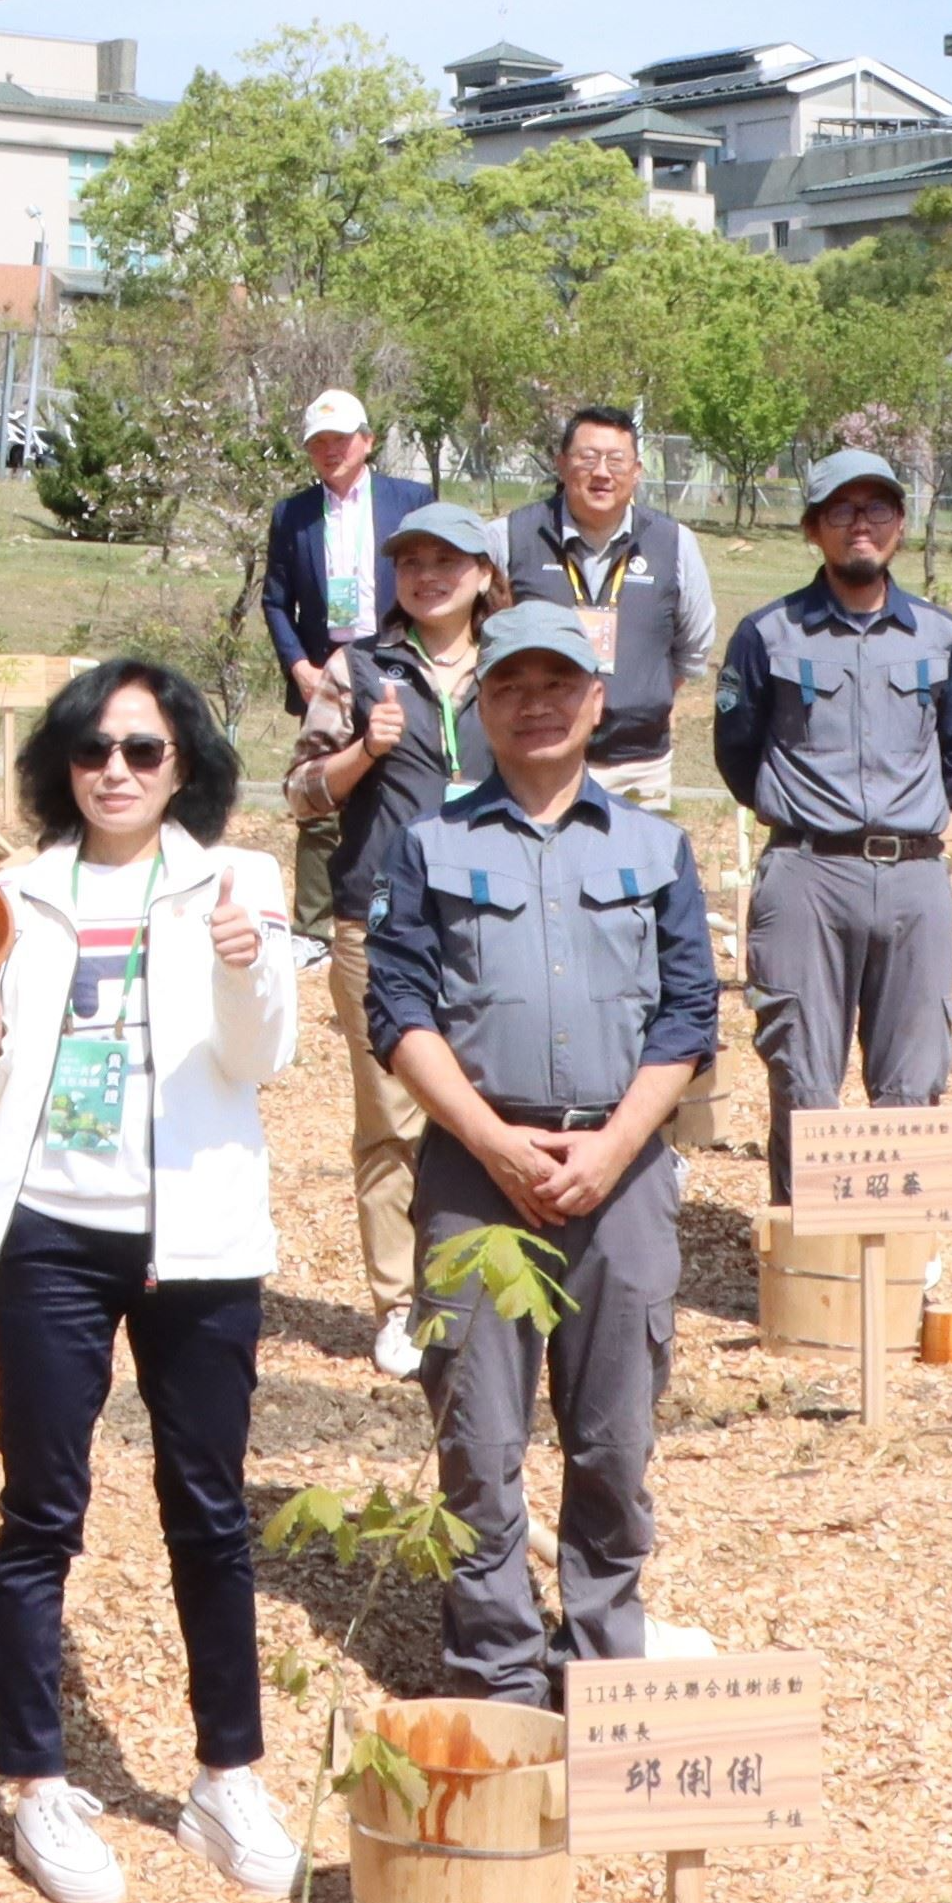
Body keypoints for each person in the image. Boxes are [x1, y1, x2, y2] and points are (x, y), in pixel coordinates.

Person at [0, 658, 306, 1903]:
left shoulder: (233, 882)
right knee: (42, 1509)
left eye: (143, 752)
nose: (116, 771)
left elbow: (264, 1059)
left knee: (207, 1509)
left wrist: (249, 966)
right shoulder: (15, 895)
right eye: (94, 749)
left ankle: (225, 1775)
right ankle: (36, 1783)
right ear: (62, 765)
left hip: (197, 1232)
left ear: (183, 767)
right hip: (50, 1233)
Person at [360, 606, 723, 1695]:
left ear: (595, 700)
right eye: (511, 683)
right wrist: (493, 1143)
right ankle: (499, 1668)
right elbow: (397, 1008)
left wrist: (612, 1150)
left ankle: (605, 1649)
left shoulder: (657, 849)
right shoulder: (430, 842)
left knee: (613, 1436)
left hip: (623, 1176)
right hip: (478, 1175)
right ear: (482, 703)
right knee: (476, 1435)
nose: (535, 703)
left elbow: (689, 1017)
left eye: (557, 683)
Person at [715, 447, 952, 1202]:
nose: (860, 525)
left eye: (877, 510)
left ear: (899, 524)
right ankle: (809, 1273)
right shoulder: (767, 634)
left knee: (915, 1077)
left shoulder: (938, 635)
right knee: (802, 1076)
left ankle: (896, 1271)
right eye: (841, 511)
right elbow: (738, 751)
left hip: (914, 877)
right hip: (807, 874)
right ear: (812, 529)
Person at [286, 499, 502, 1374]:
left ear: (483, 575)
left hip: (496, 921)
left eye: (447, 561)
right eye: (411, 562)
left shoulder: (519, 661)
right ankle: (399, 1302)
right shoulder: (360, 667)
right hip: (378, 922)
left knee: (497, 1102)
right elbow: (301, 794)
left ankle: (490, 1284)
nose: (427, 576)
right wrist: (362, 753)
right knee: (390, 1120)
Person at [498, 407, 721, 806]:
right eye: (588, 457)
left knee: (636, 870)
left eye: (616, 460)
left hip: (637, 762)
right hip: (535, 757)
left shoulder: (674, 543)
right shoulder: (509, 538)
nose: (602, 473)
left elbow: (693, 648)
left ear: (636, 472)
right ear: (562, 464)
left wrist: (640, 693)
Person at [256, 389, 434, 725]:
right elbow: (275, 602)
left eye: (340, 438)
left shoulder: (412, 501)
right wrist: (300, 667)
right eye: (318, 442)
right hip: (325, 673)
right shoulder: (293, 514)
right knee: (328, 774)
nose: (330, 450)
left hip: (399, 661)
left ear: (368, 441)